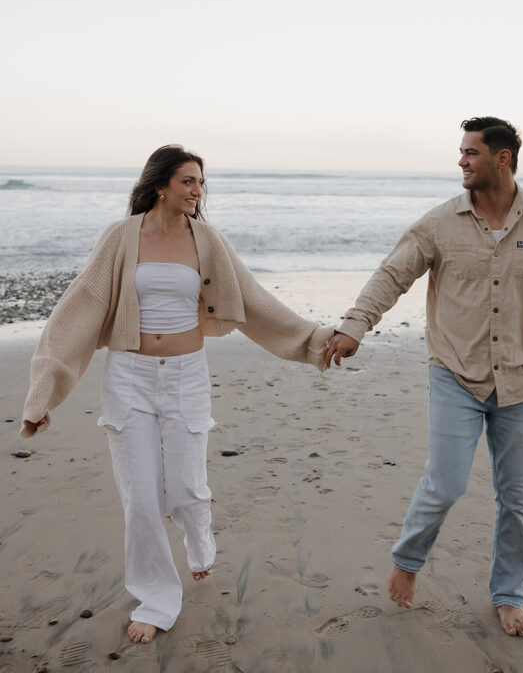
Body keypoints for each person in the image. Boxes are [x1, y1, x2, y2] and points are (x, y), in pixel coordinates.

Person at [22, 145, 333, 646]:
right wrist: (45, 390)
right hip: (130, 377)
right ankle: (156, 599)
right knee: (141, 497)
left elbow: (254, 301)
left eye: (201, 183)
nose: (197, 191)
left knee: (185, 489)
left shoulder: (208, 240)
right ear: (161, 184)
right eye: (188, 181)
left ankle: (198, 535)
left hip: (187, 377)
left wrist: (315, 340)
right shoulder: (120, 239)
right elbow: (80, 308)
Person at [323, 117, 523, 637]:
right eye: (461, 152)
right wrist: (356, 326)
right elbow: (392, 274)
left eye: (471, 152)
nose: (461, 161)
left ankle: (509, 596)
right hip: (455, 375)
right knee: (445, 484)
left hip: (522, 383)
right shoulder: (440, 222)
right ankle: (408, 559)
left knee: (516, 498)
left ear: (502, 158)